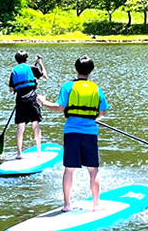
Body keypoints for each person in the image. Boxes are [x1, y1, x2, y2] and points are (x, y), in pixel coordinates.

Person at [38, 55, 108, 212]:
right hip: (90, 132)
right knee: (93, 169)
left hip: (71, 132)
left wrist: (43, 102)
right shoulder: (97, 89)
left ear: (76, 69)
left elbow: (59, 107)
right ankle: (96, 205)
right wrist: (93, 117)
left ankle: (67, 205)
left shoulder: (68, 87)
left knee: (69, 169)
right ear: (91, 71)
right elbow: (102, 112)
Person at [8, 50, 48, 158]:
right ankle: (39, 152)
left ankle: (19, 153)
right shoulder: (32, 68)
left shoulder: (14, 72)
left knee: (20, 127)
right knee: (35, 125)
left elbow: (11, 90)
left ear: (16, 60)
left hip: (20, 101)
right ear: (26, 59)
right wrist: (40, 63)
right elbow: (44, 76)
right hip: (32, 100)